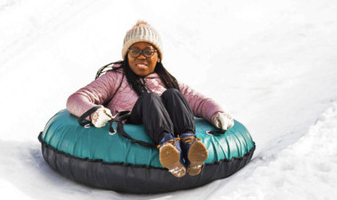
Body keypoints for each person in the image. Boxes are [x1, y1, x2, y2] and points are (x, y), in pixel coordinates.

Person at [66, 20, 236, 178]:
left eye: (148, 51)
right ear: (126, 55)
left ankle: (189, 145)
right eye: (134, 51)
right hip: (133, 124)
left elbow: (198, 101)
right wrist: (95, 113)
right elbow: (76, 98)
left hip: (171, 125)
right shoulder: (115, 78)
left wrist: (217, 114)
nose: (141, 56)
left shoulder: (167, 80)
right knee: (150, 99)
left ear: (158, 57)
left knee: (173, 94)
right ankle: (168, 149)